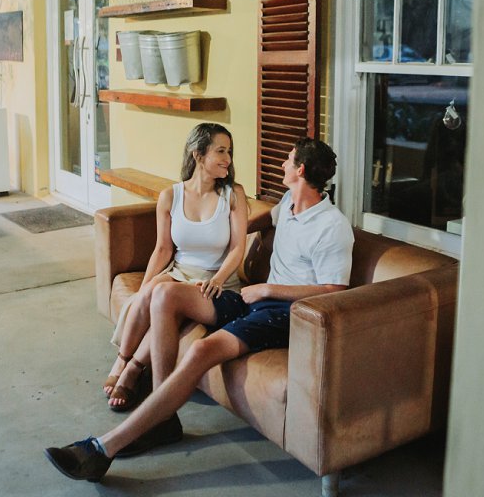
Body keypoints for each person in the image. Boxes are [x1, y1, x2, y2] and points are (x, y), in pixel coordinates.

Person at [46, 137, 354, 482]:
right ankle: (162, 417)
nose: (282, 163)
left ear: (300, 170)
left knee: (201, 350)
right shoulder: (289, 202)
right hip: (251, 300)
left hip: (284, 314)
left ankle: (103, 448)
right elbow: (264, 220)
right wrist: (228, 230)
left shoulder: (332, 227)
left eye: (288, 159)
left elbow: (335, 291)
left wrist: (268, 288)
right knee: (166, 295)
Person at [103, 122, 249, 411]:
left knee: (163, 297)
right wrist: (145, 285)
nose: (228, 159)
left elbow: (237, 248)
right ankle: (122, 360)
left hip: (215, 281)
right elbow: (163, 249)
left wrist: (218, 279)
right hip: (179, 272)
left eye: (229, 152)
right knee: (148, 293)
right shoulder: (171, 196)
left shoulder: (233, 194)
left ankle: (132, 370)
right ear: (198, 154)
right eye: (221, 151)